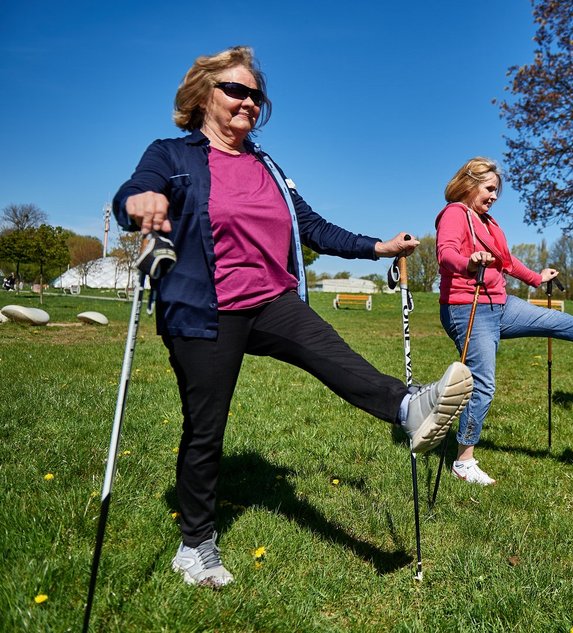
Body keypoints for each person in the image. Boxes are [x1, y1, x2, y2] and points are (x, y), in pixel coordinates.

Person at [113, 46, 474, 588]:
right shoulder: (172, 154)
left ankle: (408, 408)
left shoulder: (267, 166)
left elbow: (313, 226)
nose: (249, 102)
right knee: (206, 426)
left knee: (332, 353)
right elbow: (131, 193)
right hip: (204, 308)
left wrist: (377, 247)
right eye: (236, 90)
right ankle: (195, 545)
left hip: (271, 299)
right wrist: (141, 201)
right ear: (203, 96)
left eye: (256, 95)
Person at [435, 157, 573, 486]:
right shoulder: (455, 213)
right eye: (489, 189)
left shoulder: (489, 223)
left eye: (496, 191)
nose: (494, 196)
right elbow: (446, 252)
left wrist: (538, 278)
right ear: (470, 183)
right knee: (482, 384)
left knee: (555, 320)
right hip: (468, 308)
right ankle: (463, 461)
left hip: (501, 304)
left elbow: (508, 262)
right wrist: (470, 261)